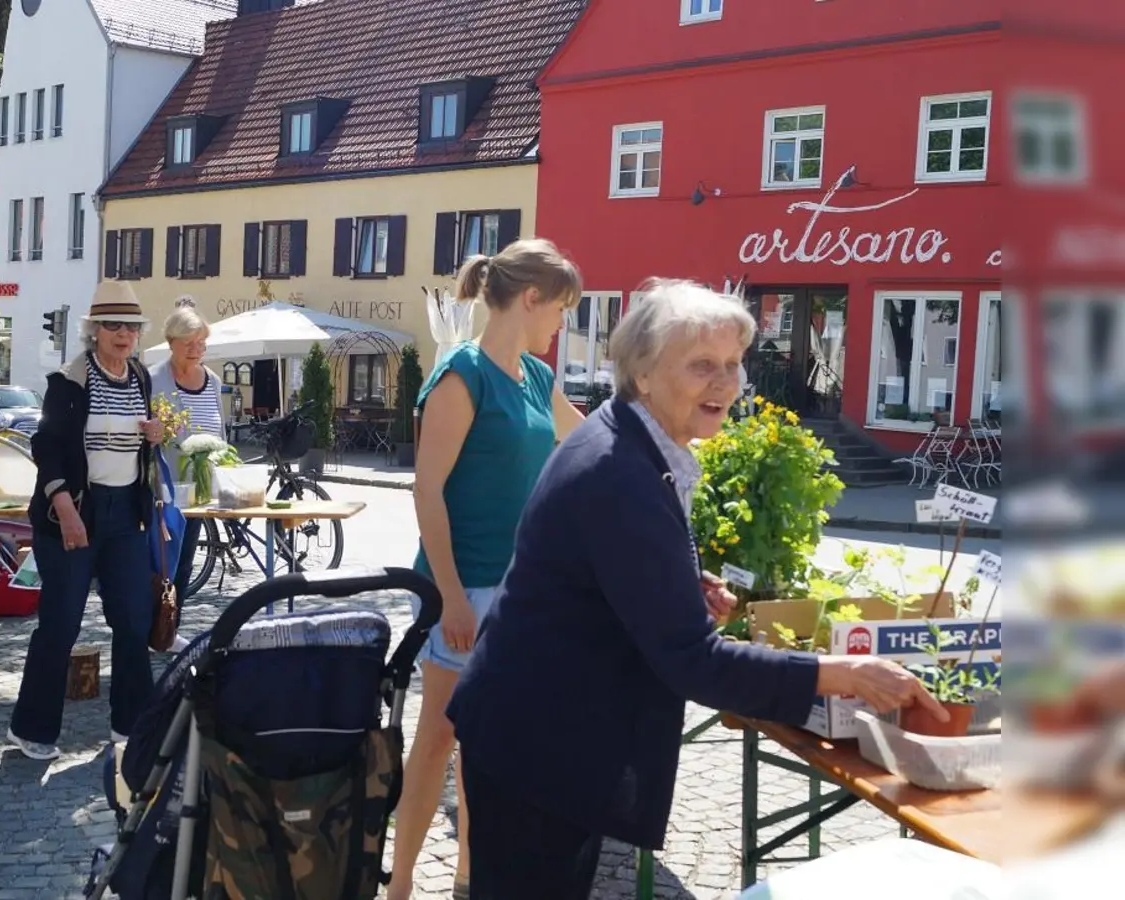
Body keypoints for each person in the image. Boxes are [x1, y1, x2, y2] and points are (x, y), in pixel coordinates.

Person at [446, 278, 947, 899]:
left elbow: (598, 573)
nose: (726, 383)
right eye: (702, 365)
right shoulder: (620, 472)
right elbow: (694, 663)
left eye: (734, 364)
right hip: (537, 745)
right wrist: (842, 674)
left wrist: (678, 583)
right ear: (644, 373)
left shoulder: (626, 437)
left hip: (535, 732)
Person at [387, 238, 586, 900]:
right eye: (560, 308)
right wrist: (449, 595)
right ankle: (400, 884)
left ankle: (470, 881)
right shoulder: (461, 375)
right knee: (438, 739)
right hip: (460, 585)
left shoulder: (535, 378)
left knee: (488, 746)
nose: (561, 323)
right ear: (530, 298)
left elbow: (587, 438)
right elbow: (427, 490)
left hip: (514, 592)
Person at [8, 281, 166, 760]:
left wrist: (154, 435)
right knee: (61, 624)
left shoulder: (139, 377)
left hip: (127, 513)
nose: (123, 334)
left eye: (131, 327)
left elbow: (138, 445)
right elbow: (47, 448)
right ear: (94, 330)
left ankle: (132, 723)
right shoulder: (69, 381)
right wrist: (66, 511)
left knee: (134, 621)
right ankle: (31, 730)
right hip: (76, 510)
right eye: (113, 326)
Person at [146, 302, 223, 628]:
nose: (196, 349)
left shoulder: (213, 381)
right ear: (171, 341)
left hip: (200, 492)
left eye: (201, 343)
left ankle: (169, 630)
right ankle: (149, 630)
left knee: (185, 565)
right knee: (160, 565)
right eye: (189, 342)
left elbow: (220, 433)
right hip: (163, 491)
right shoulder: (152, 380)